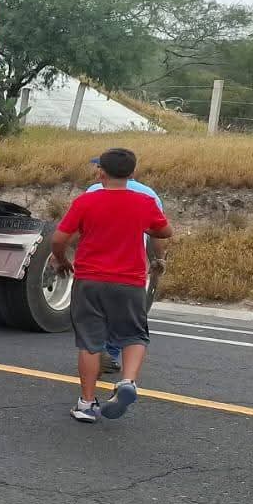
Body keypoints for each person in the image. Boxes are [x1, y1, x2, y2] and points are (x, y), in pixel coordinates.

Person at [50, 148, 173, 423]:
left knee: (90, 342)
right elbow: (165, 231)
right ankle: (127, 381)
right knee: (135, 335)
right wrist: (142, 227)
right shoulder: (145, 201)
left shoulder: (86, 201)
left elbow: (59, 239)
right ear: (132, 173)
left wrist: (61, 259)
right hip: (130, 281)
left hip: (90, 280)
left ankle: (86, 404)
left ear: (100, 172)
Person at [83, 166, 167, 374]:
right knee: (125, 317)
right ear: (131, 171)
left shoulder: (93, 190)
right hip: (129, 269)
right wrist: (158, 259)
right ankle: (111, 355)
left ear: (104, 172)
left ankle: (96, 351)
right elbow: (158, 233)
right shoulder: (148, 195)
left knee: (96, 313)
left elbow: (80, 228)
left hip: (94, 267)